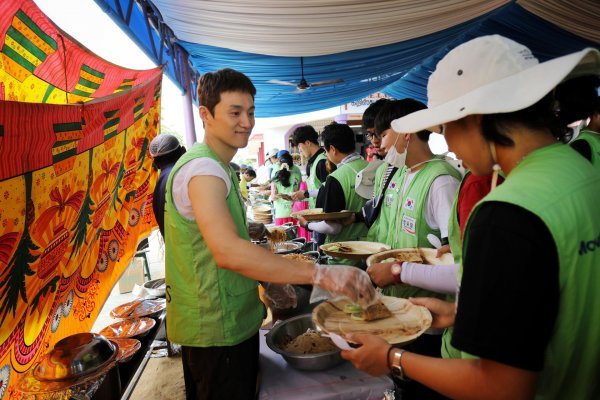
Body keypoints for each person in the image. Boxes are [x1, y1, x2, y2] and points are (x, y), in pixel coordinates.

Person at [341, 35, 600, 400]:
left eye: (445, 128)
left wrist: (391, 358)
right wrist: (459, 314)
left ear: (474, 118)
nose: (449, 144)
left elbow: (501, 386)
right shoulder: (582, 170)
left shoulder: (507, 212)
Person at [163, 68, 377, 400]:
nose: (246, 122)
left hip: (227, 320)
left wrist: (267, 273)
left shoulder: (216, 166)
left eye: (250, 112)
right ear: (205, 114)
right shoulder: (204, 169)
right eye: (235, 112)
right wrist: (321, 274)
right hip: (216, 325)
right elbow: (227, 251)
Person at [297, 122, 369, 267]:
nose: (326, 155)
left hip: (344, 255)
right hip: (371, 250)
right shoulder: (373, 167)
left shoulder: (336, 178)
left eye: (326, 150)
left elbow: (333, 228)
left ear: (333, 149)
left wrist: (307, 225)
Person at [148, 134, 186, 236]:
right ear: (183, 151)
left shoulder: (158, 189)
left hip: (174, 245)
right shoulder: (181, 177)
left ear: (156, 163)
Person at [289, 125, 329, 208]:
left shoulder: (322, 162)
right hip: (316, 212)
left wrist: (306, 193)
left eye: (299, 146)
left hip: (324, 212)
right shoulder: (312, 162)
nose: (299, 150)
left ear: (307, 143)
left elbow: (329, 191)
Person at [270, 152, 301, 225]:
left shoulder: (276, 176)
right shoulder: (297, 173)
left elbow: (273, 197)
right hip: (294, 211)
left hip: (280, 213)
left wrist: (279, 195)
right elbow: (298, 191)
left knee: (281, 232)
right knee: (294, 231)